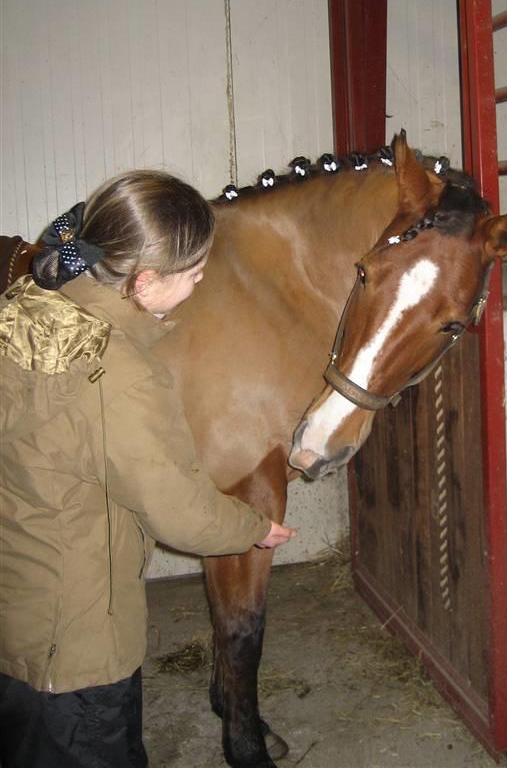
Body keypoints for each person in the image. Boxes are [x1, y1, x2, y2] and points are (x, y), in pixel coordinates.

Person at [0, 170, 297, 768]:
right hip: (77, 645)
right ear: (146, 281)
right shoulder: (119, 370)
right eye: (194, 273)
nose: (202, 280)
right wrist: (252, 528)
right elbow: (177, 510)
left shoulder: (26, 305)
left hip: (20, 608)